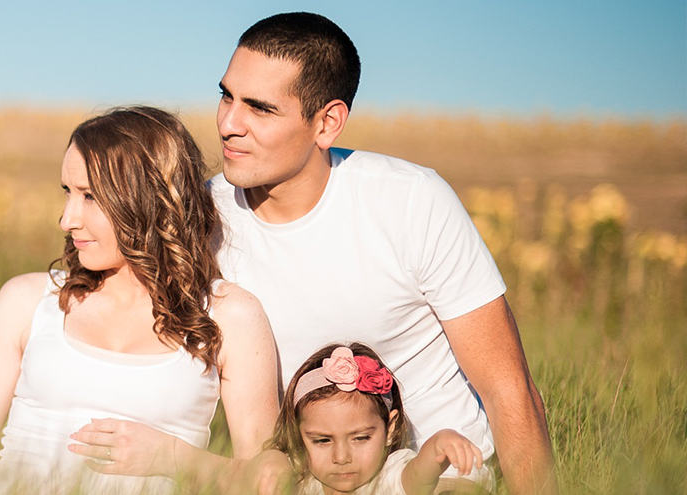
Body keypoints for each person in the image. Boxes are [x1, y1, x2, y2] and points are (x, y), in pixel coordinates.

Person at [68, 12, 556, 494]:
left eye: (260, 108)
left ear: (327, 123)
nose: (229, 123)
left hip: (439, 477)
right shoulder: (200, 219)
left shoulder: (412, 201)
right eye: (226, 95)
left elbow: (507, 389)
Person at [0, 106, 280, 494]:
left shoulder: (229, 316)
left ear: (149, 198)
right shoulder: (27, 301)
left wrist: (173, 457)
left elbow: (267, 481)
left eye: (90, 196)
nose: (67, 219)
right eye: (68, 192)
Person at [254, 343, 486, 495]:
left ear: (391, 429)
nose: (341, 457)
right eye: (322, 441)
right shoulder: (302, 483)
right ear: (298, 434)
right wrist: (274, 459)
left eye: (361, 438)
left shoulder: (390, 478)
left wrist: (439, 444)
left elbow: (419, 477)